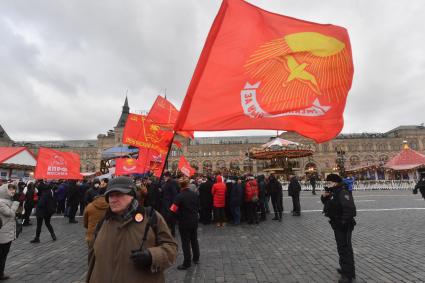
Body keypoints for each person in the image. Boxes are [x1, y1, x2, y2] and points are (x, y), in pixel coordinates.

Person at [86, 176, 178, 283]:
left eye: (119, 194)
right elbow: (93, 259)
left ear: (132, 196)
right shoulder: (103, 222)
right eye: (110, 195)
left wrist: (152, 256)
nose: (113, 199)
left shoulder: (151, 217)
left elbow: (171, 248)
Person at [321, 174, 357, 283]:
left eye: (329, 182)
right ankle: (345, 269)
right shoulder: (334, 191)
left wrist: (343, 221)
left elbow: (350, 209)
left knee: (345, 249)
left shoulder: (343, 192)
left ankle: (348, 275)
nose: (328, 184)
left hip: (344, 225)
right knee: (341, 248)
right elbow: (329, 204)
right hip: (337, 224)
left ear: (335, 182)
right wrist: (324, 197)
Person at [170, 177, 200, 270]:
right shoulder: (194, 194)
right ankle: (196, 258)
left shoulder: (179, 196)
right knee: (194, 240)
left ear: (180, 185)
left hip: (184, 221)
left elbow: (173, 209)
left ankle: (186, 263)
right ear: (187, 185)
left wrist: (177, 217)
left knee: (185, 242)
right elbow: (199, 206)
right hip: (194, 220)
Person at [0, 183, 19, 280]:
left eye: (14, 189)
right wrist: (16, 204)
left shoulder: (9, 201)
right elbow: (10, 213)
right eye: (10, 189)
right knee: (2, 255)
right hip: (2, 233)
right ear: (4, 190)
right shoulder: (1, 202)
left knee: (4, 255)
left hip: (7, 233)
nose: (13, 191)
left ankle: (1, 273)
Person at [83, 183, 108, 252]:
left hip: (92, 235)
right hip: (107, 236)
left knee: (92, 256)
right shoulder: (111, 207)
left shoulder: (90, 206)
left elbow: (85, 223)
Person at [161, 172, 179, 236]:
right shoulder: (167, 182)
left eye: (165, 176)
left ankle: (171, 233)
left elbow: (174, 194)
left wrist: (173, 206)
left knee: (170, 219)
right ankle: (168, 233)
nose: (164, 177)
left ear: (168, 176)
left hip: (169, 205)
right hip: (166, 204)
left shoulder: (172, 183)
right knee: (167, 219)